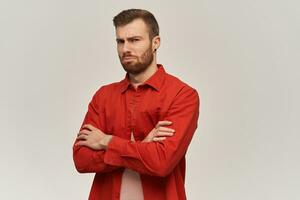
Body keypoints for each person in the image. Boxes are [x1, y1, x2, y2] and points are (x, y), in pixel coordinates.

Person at [73, 8, 200, 200]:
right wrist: (141, 147)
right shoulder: (103, 96)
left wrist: (106, 141)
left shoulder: (182, 95)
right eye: (120, 41)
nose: (125, 49)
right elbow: (81, 160)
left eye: (134, 40)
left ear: (155, 42)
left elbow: (161, 162)